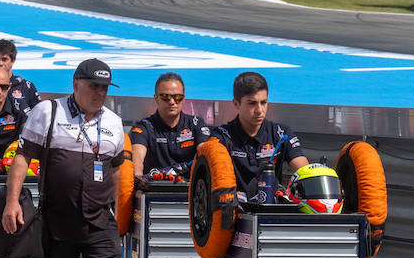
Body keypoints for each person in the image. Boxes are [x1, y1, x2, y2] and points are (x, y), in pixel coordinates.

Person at [2, 58, 133, 258]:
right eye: (94, 86)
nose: (99, 93)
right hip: (57, 220)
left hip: (100, 221)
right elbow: (22, 158)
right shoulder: (47, 113)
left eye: (104, 87)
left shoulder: (114, 123)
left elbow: (117, 171)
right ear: (76, 84)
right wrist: (11, 202)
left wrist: (119, 212)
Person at [212, 71, 308, 203]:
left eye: (263, 102)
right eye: (252, 103)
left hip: (272, 212)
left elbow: (305, 170)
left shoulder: (281, 133)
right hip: (234, 212)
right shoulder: (222, 136)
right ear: (236, 103)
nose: (259, 110)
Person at [128, 72, 210, 179]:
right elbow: (137, 159)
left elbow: (206, 155)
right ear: (156, 98)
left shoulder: (196, 124)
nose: (172, 102)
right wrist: (138, 184)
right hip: (154, 191)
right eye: (165, 97)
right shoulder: (144, 127)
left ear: (184, 98)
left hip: (190, 191)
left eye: (177, 97)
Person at [0, 38, 40, 110]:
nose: (0, 63)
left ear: (12, 61)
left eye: (4, 59)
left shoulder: (26, 87)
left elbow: (39, 114)